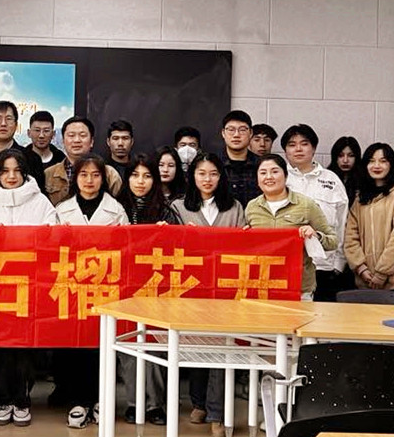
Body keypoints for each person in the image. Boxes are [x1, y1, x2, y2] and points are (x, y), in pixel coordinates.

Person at [0, 149, 57, 428]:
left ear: (25, 173)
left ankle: (22, 400)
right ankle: (2, 400)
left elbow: (52, 238)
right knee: (1, 347)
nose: (11, 176)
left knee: (25, 347)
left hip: (31, 285)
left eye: (17, 171)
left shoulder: (41, 202)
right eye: (5, 171)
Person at [53, 154, 126, 429]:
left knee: (100, 346)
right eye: (84, 175)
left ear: (103, 179)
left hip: (104, 288)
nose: (89, 180)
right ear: (75, 178)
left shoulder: (115, 209)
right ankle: (77, 401)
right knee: (74, 346)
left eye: (95, 175)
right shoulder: (62, 209)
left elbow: (127, 248)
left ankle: (100, 400)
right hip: (71, 289)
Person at [176, 152, 243, 437]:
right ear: (192, 176)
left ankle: (217, 413)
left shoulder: (235, 207)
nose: (207, 179)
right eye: (201, 173)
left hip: (226, 289)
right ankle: (199, 403)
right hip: (192, 289)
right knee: (196, 347)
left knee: (221, 349)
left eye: (213, 173)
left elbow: (243, 245)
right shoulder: (179, 206)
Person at [115, 154, 176, 426]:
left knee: (155, 346)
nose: (141, 182)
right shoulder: (116, 207)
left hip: (156, 288)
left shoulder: (166, 211)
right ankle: (133, 402)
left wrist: (168, 234)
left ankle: (155, 404)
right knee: (127, 347)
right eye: (135, 175)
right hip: (123, 288)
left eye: (147, 176)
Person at [245, 154, 338, 299]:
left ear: (286, 175)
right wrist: (245, 236)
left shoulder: (306, 205)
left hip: (299, 287)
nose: (269, 177)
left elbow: (333, 241)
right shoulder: (252, 207)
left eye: (275, 171)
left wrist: (316, 236)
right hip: (262, 286)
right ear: (257, 179)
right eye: (263, 173)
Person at [281, 125, 351, 303]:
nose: (298, 149)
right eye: (292, 144)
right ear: (285, 151)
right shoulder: (278, 178)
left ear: (313, 148)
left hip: (324, 266)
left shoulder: (331, 180)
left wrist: (338, 264)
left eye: (304, 144)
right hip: (286, 266)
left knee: (320, 317)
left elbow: (343, 223)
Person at [343, 143, 394, 294]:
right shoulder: (360, 197)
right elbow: (350, 236)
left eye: (383, 161)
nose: (376, 166)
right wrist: (361, 268)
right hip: (365, 279)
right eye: (371, 161)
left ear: (391, 165)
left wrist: (382, 273)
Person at [44, 117, 122, 206]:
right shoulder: (49, 174)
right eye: (71, 135)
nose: (77, 140)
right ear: (63, 141)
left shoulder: (110, 174)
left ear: (92, 141)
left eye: (83, 135)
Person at [220, 111, 260, 204]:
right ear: (223, 133)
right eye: (231, 130)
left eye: (242, 130)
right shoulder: (214, 164)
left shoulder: (261, 164)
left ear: (251, 133)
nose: (236, 135)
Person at [328, 136, 362, 206]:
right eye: (341, 155)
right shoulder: (327, 177)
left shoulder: (363, 180)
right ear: (335, 157)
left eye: (351, 155)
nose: (345, 160)